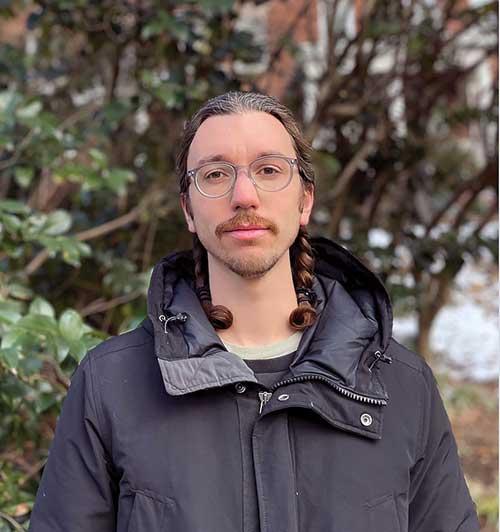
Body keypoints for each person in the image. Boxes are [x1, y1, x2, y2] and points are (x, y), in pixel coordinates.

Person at [29, 91, 480, 532]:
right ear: (188, 207)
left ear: (305, 200)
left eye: (268, 170)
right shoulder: (112, 385)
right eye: (215, 174)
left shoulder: (402, 387)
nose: (244, 195)